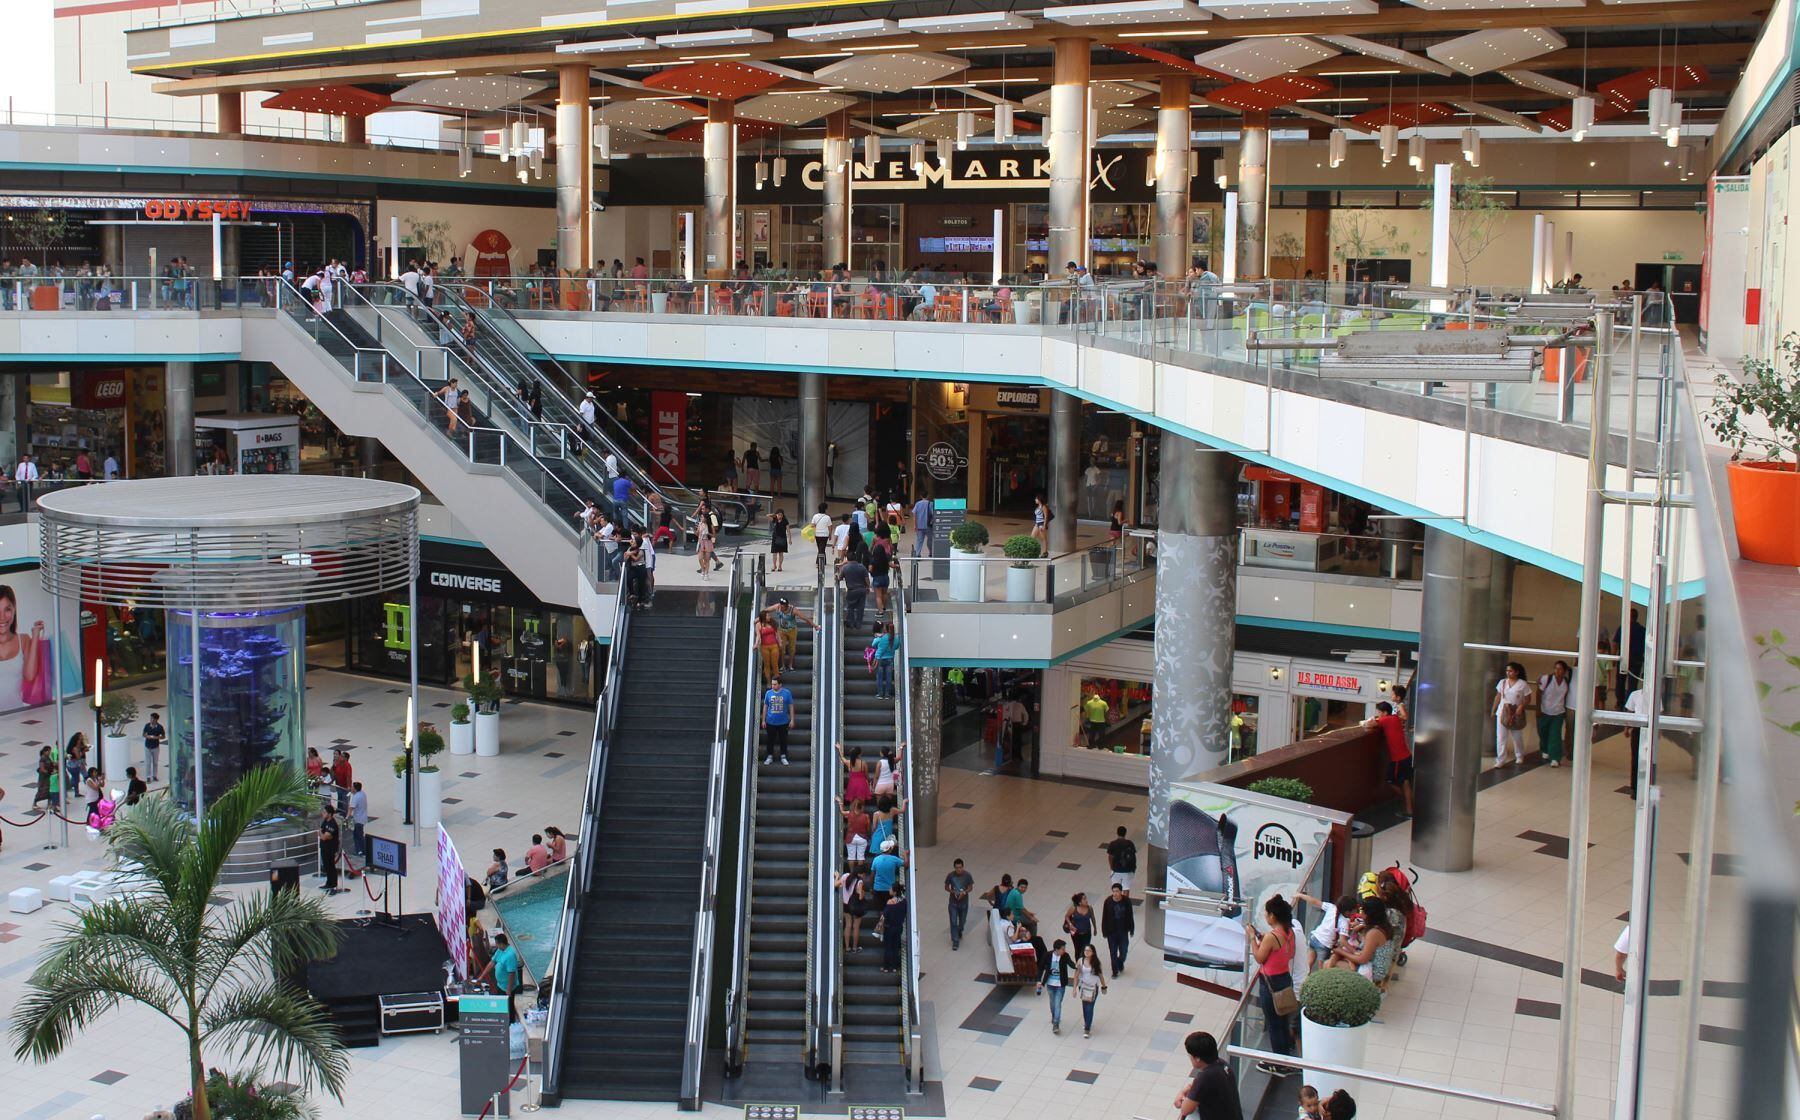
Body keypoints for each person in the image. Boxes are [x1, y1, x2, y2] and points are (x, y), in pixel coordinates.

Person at [1248, 895, 1298, 1076]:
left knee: (1274, 1024)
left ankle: (1280, 1063)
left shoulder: (1271, 937)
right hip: (1284, 979)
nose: (1266, 917)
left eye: (1267, 914)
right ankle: (1286, 1057)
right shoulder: (1289, 932)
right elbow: (1288, 953)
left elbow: (1260, 958)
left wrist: (1253, 938)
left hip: (1270, 984)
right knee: (1282, 1020)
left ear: (1273, 917)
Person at [1176, 1031, 1242, 1120]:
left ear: (1197, 1058)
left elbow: (1185, 1110)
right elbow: (1196, 1086)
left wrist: (1180, 1095)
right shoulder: (1223, 1065)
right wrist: (1186, 1089)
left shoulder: (1205, 1077)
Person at [1363, 701, 1413, 816]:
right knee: (1405, 783)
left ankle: (1405, 803)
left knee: (1390, 781)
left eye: (1379, 712)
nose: (1378, 714)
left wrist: (1371, 719)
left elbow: (1368, 725)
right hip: (1406, 756)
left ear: (1385, 712)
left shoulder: (1385, 720)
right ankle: (1410, 808)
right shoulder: (1395, 718)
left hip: (1398, 759)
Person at [1492, 660, 1531, 767]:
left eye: (1511, 671)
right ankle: (1500, 759)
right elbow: (1498, 696)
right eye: (1507, 671)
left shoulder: (1522, 684)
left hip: (1516, 713)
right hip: (1502, 712)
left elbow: (1528, 698)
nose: (1508, 673)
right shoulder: (1502, 682)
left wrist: (1521, 706)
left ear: (1516, 672)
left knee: (1517, 736)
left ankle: (1519, 755)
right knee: (1501, 737)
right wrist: (1494, 709)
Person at [478, 932, 523, 1021]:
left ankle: (510, 1024)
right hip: (500, 985)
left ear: (502, 944)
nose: (496, 946)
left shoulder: (510, 955)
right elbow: (492, 962)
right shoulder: (500, 950)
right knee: (500, 1006)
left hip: (507, 987)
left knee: (508, 1007)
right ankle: (501, 1022)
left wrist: (509, 989)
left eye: (497, 944)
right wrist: (481, 976)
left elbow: (512, 973)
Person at [1537, 659, 1572, 767]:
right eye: (1556, 668)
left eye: (1560, 669)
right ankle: (1545, 749)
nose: (1557, 671)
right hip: (1545, 711)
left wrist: (1565, 711)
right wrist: (1537, 709)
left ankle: (1555, 758)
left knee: (1555, 735)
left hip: (1558, 712)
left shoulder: (1566, 682)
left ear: (1564, 671)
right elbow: (1539, 693)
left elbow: (1565, 696)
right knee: (1543, 733)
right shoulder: (1546, 679)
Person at [772, 597, 815, 673]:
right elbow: (767, 610)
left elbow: (804, 618)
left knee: (792, 649)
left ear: (786, 606)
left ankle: (790, 665)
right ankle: (782, 666)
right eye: (780, 605)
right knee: (782, 648)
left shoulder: (793, 610)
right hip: (782, 630)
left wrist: (815, 625)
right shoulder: (778, 607)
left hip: (792, 631)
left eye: (782, 606)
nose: (781, 607)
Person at [1074, 943, 1108, 1037]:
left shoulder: (1096, 963)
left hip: (1093, 987)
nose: (1087, 952)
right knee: (1085, 1007)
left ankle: (1087, 1028)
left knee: (1090, 1007)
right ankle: (1087, 1023)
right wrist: (1074, 989)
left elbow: (1100, 975)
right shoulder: (1080, 961)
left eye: (1089, 951)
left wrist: (1104, 986)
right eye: (1085, 950)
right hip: (1083, 986)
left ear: (1093, 952)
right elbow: (1076, 975)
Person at [1101, 882, 1134, 977]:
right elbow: (1105, 917)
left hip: (1123, 930)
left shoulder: (1126, 901)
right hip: (1112, 932)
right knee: (1113, 952)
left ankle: (1120, 962)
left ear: (1121, 892)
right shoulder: (1108, 901)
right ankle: (1114, 970)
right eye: (1113, 891)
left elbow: (1130, 915)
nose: (1115, 893)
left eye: (1117, 891)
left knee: (1124, 950)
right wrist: (1104, 930)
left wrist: (1131, 928)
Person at [761, 673, 794, 765]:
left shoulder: (787, 693)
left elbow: (791, 706)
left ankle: (783, 756)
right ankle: (769, 756)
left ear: (780, 684)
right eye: (772, 684)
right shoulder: (768, 693)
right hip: (770, 721)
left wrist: (792, 719)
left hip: (783, 722)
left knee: (783, 740)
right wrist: (763, 720)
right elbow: (765, 706)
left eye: (775, 684)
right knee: (770, 740)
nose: (773, 686)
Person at [1042, 939, 1074, 1034]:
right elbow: (1041, 967)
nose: (1064, 951)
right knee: (1052, 1003)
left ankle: (1056, 1023)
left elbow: (1071, 964)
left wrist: (1078, 966)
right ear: (1056, 949)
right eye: (1062, 949)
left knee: (1057, 1003)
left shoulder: (1065, 956)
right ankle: (1054, 1016)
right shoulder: (1048, 955)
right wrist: (1039, 981)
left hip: (1061, 984)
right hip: (1050, 984)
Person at [839, 867, 871, 953]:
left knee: (848, 925)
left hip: (846, 904)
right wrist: (863, 893)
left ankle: (847, 947)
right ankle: (854, 947)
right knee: (856, 927)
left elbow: (838, 884)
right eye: (864, 875)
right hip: (856, 906)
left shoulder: (845, 876)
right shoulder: (859, 881)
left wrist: (837, 876)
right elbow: (860, 896)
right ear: (861, 874)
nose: (864, 877)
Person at [944, 857, 974, 950]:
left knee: (962, 921)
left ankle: (960, 930)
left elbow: (970, 887)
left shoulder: (968, 875)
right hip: (953, 902)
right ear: (954, 868)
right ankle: (955, 941)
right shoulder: (950, 876)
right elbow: (946, 886)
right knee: (953, 921)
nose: (959, 869)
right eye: (957, 867)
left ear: (963, 867)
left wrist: (964, 893)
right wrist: (952, 891)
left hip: (964, 903)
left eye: (960, 867)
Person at [879, 882, 908, 974]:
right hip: (899, 927)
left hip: (889, 927)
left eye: (891, 889)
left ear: (895, 892)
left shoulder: (890, 902)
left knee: (888, 947)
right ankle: (895, 967)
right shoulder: (904, 901)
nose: (889, 890)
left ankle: (886, 967)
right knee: (895, 947)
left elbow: (885, 915)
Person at [870, 837, 905, 910]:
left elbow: (872, 875)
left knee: (880, 908)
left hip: (877, 888)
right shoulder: (894, 859)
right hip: (889, 890)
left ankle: (881, 920)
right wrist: (906, 855)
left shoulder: (876, 860)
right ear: (889, 849)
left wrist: (871, 887)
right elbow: (906, 864)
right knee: (889, 907)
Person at [317, 803, 343, 894]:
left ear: (330, 814)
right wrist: (321, 834)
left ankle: (333, 884)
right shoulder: (325, 822)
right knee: (327, 866)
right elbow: (320, 833)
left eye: (324, 812)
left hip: (330, 848)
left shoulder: (332, 824)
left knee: (331, 866)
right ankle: (328, 883)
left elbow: (324, 836)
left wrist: (321, 834)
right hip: (324, 848)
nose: (323, 814)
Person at [840, 553, 870, 630]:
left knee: (850, 607)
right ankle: (858, 624)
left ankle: (851, 623)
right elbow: (867, 579)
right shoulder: (862, 567)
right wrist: (868, 587)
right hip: (862, 590)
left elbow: (840, 577)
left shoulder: (845, 568)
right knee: (861, 607)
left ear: (847, 559)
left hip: (851, 590)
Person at [1064, 891, 1097, 960]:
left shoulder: (1090, 908)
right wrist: (1070, 924)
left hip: (1087, 933)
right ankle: (1078, 965)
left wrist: (1095, 928)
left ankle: (1084, 963)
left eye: (1086, 898)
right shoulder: (1074, 908)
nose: (1086, 900)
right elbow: (1067, 916)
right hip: (1076, 934)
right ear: (1079, 902)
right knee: (1077, 950)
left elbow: (1092, 918)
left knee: (1085, 950)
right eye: (1084, 899)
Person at [1106, 825, 1137, 891]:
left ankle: (1117, 900)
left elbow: (1110, 857)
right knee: (1126, 889)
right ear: (1125, 833)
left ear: (1117, 833)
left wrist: (1112, 867)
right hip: (1128, 870)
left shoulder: (1113, 844)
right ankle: (1125, 901)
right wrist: (1133, 868)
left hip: (1116, 870)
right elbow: (1133, 856)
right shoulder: (1130, 843)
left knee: (1116, 888)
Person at [870, 620, 896, 700]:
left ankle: (880, 694)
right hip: (890, 659)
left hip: (880, 659)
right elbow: (897, 645)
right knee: (888, 677)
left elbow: (873, 644)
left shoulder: (881, 638)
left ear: (885, 628)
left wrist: (878, 636)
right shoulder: (895, 638)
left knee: (880, 677)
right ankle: (888, 694)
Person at [755, 609, 781, 681]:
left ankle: (777, 681)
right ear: (764, 617)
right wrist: (756, 644)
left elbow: (777, 634)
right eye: (768, 615)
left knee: (775, 664)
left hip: (774, 645)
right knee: (767, 665)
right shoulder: (759, 625)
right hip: (764, 647)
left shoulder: (773, 623)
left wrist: (780, 642)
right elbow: (758, 636)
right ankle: (769, 682)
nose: (769, 617)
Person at [1081, 686, 1110, 750]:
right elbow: (1107, 712)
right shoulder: (1103, 703)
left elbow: (1085, 709)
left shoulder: (1089, 703)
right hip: (1101, 721)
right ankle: (1101, 746)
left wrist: (1088, 715)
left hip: (1093, 721)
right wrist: (1107, 720)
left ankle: (1091, 745)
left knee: (1092, 734)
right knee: (1101, 734)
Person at [142, 710, 165, 783]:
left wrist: (157, 737)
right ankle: (148, 777)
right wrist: (147, 736)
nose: (151, 720)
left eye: (152, 718)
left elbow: (163, 736)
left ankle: (154, 775)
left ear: (156, 719)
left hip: (155, 747)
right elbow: (143, 734)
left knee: (155, 762)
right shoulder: (147, 725)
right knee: (148, 762)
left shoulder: (160, 727)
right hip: (147, 746)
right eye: (150, 718)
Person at [31, 744, 56, 813]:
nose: (49, 752)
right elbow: (42, 768)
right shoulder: (42, 758)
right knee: (41, 790)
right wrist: (49, 772)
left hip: (48, 777)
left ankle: (49, 803)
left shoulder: (48, 757)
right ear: (45, 751)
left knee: (50, 790)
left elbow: (51, 764)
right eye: (48, 751)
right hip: (44, 778)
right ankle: (34, 803)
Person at [348, 781, 368, 860]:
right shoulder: (362, 794)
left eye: (352, 787)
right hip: (363, 818)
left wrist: (347, 817)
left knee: (357, 836)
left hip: (358, 819)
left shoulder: (356, 797)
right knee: (360, 834)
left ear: (355, 789)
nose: (351, 788)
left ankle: (360, 851)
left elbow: (351, 808)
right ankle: (362, 850)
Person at [810, 503, 834, 570]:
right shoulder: (827, 517)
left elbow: (812, 525)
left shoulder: (815, 516)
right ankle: (819, 562)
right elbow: (830, 527)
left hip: (817, 534)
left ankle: (823, 560)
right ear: (825, 509)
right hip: (825, 535)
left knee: (820, 548)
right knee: (822, 548)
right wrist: (830, 534)